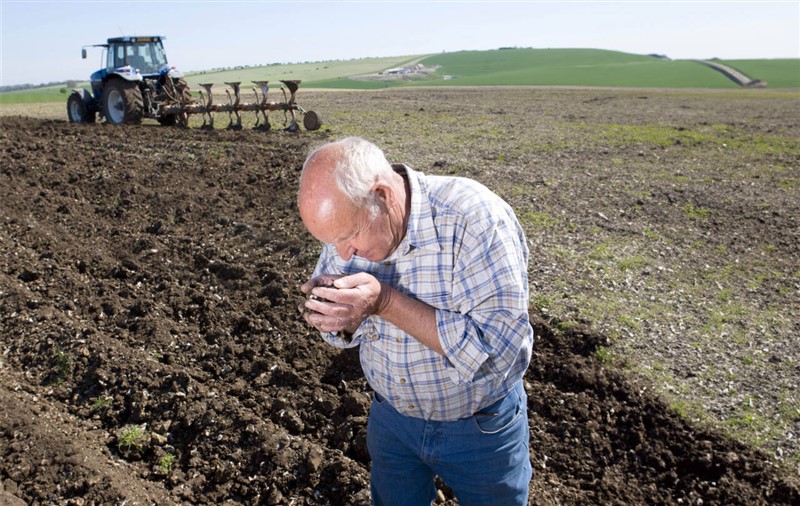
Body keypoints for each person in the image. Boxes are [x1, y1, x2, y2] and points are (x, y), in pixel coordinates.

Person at [297, 136, 533, 506]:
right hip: (392, 423)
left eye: (349, 237)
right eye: (332, 242)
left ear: (382, 196)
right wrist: (337, 313)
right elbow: (342, 329)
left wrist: (384, 302)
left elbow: (497, 352)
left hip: (479, 428)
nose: (342, 254)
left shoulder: (473, 220)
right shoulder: (350, 216)